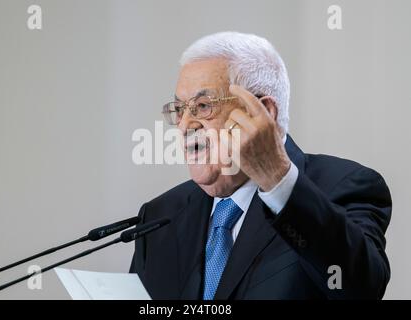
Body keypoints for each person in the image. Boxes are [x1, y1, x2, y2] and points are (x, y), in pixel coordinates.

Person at [130, 31, 392, 300]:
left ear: (264, 112)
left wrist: (277, 180)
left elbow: (361, 289)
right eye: (179, 109)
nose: (184, 125)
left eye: (203, 106)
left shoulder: (343, 186)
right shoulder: (158, 217)